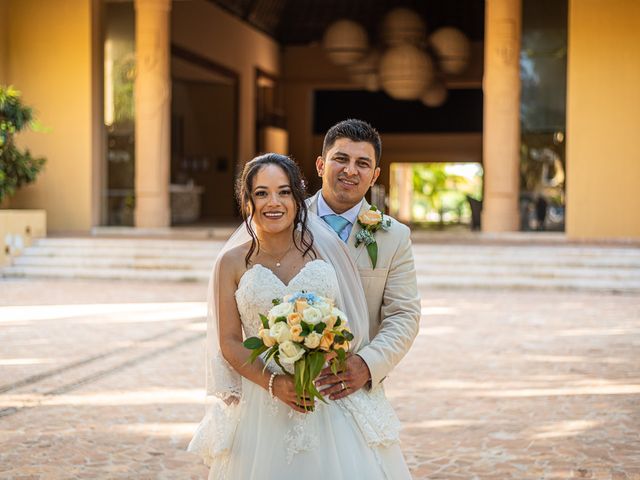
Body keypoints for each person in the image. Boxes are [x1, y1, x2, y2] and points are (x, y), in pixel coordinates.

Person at [188, 153, 411, 479]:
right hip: (262, 402)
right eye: (261, 193)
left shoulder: (325, 249)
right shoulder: (231, 263)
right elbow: (230, 342)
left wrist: (332, 348)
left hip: (325, 394)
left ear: (298, 197)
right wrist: (274, 384)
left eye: (283, 191)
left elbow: (347, 323)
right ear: (247, 200)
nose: (273, 202)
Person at [308, 119, 421, 402]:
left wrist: (367, 365)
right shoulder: (288, 221)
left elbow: (403, 315)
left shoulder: (394, 236)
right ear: (321, 165)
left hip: (353, 386)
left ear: (374, 175)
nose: (350, 170)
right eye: (341, 159)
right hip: (293, 384)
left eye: (362, 163)